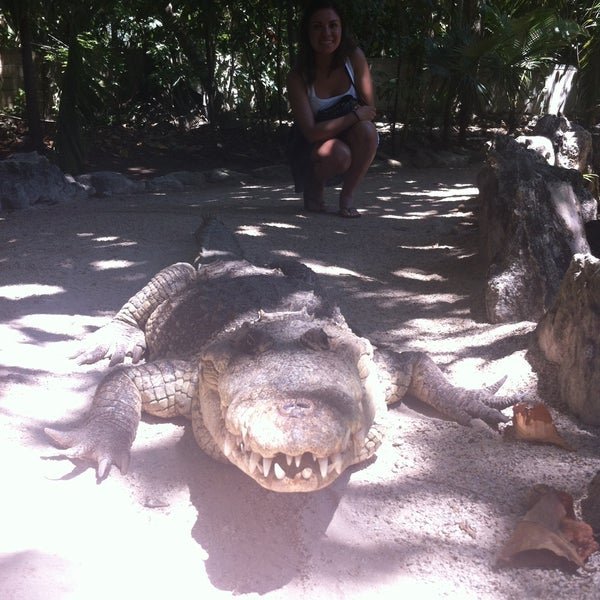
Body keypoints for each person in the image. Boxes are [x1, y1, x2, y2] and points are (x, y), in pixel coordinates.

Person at [286, 0, 378, 218]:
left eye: (332, 25)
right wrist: (354, 115)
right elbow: (310, 132)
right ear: (307, 33)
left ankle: (347, 198)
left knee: (368, 132)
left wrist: (356, 118)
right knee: (339, 154)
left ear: (341, 28)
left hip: (347, 133)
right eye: (317, 26)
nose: (326, 33)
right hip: (311, 145)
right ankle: (314, 182)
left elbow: (370, 110)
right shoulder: (297, 77)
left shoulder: (354, 58)